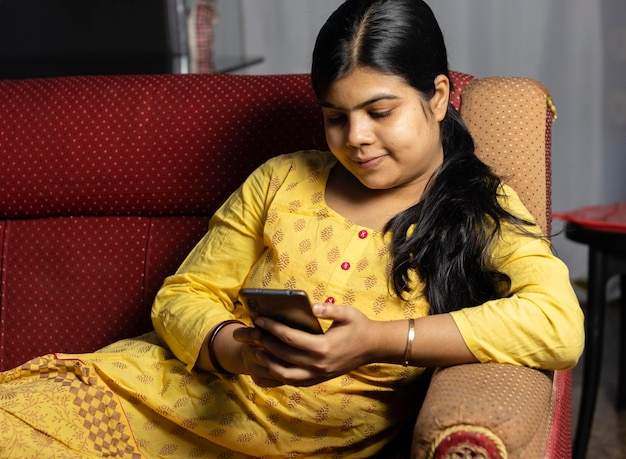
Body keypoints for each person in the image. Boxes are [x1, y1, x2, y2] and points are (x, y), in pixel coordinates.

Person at [0, 0, 584, 457]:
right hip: (149, 398)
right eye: (336, 116)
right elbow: (183, 296)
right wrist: (239, 350)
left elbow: (557, 324)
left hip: (305, 440)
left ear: (435, 98)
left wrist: (380, 340)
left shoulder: (476, 205)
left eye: (380, 112)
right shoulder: (281, 180)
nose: (355, 137)